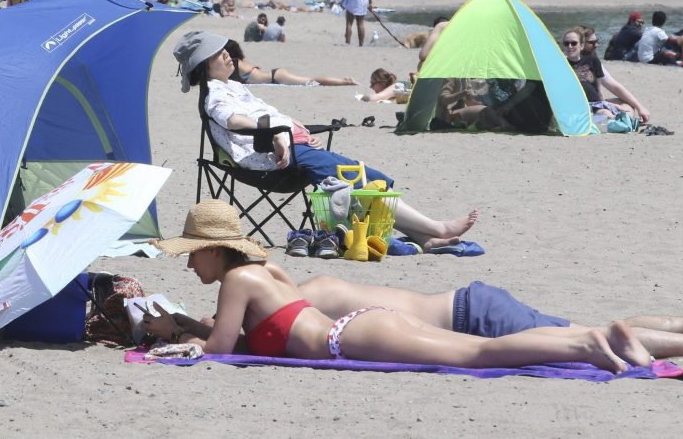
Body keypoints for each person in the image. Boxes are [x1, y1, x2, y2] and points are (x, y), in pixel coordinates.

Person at [144, 200, 648, 373]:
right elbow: (244, 332)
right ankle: (595, 341)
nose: (190, 265)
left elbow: (219, 349)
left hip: (351, 338)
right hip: (360, 328)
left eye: (192, 254)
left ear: (215, 249)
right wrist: (185, 324)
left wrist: (176, 338)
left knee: (480, 356)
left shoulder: (235, 280)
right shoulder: (265, 271)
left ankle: (586, 343)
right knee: (480, 349)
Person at [176, 31, 479, 249]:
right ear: (202, 66)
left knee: (360, 177)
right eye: (217, 53)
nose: (227, 53)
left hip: (293, 151)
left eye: (224, 49)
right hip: (270, 162)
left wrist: (297, 131)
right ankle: (436, 227)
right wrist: (277, 134)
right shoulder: (215, 95)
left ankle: (425, 238)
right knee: (357, 178)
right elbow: (233, 121)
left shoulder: (232, 86)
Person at [260, 264, 683, 359]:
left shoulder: (304, 304)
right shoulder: (318, 285)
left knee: (607, 338)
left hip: (472, 318)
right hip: (468, 303)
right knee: (602, 329)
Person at [561, 29, 650, 121]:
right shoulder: (560, 65)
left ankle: (618, 120)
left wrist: (640, 107)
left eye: (573, 43)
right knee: (606, 114)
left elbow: (609, 87)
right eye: (592, 42)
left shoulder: (593, 61)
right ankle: (615, 121)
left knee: (627, 106)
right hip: (578, 107)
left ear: (581, 45)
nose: (596, 45)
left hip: (596, 104)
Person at [224, 40, 357, 86]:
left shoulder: (235, 64)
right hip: (275, 75)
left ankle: (345, 81)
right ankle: (344, 80)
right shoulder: (241, 61)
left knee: (312, 81)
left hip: (277, 77)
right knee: (311, 81)